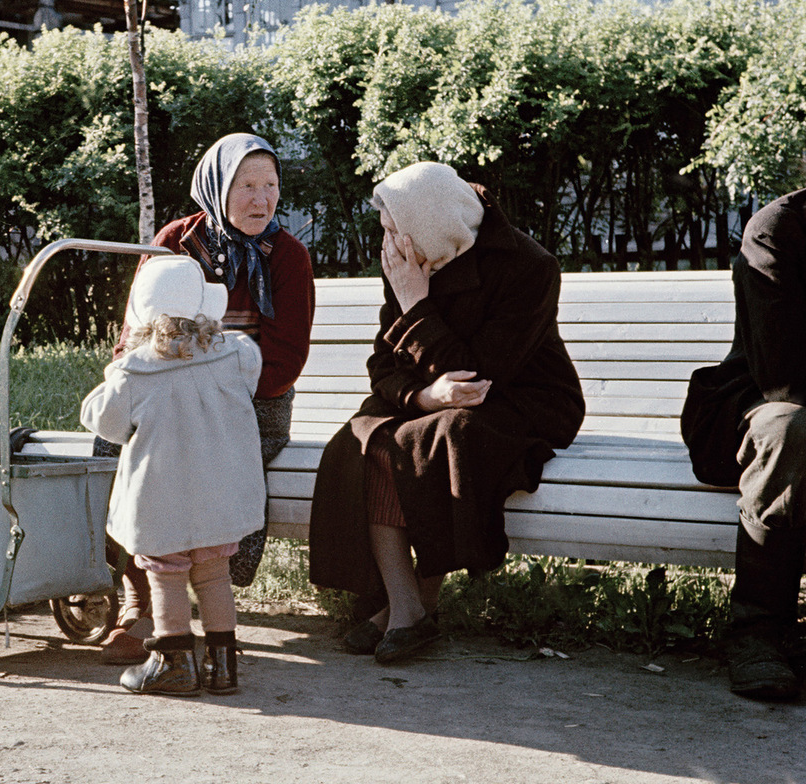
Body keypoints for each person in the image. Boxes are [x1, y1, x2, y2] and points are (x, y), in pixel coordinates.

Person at [308, 161, 585, 664]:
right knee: (363, 437)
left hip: (524, 398)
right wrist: (422, 397)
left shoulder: (530, 265)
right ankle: (405, 604)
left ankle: (410, 608)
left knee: (435, 438)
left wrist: (415, 305)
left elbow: (477, 377)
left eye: (395, 229)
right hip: (435, 395)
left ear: (430, 223)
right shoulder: (411, 257)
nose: (388, 242)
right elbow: (382, 364)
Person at [96, 132, 316, 664]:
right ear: (217, 186)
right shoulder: (175, 241)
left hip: (249, 402)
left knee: (207, 460)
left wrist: (211, 394)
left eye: (270, 185)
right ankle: (137, 599)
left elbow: (284, 360)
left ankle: (200, 599)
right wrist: (160, 387)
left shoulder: (288, 257)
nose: (261, 199)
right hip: (164, 393)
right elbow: (135, 333)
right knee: (117, 459)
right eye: (246, 185)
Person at [81, 255, 266, 695]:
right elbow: (252, 385)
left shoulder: (133, 372)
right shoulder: (237, 354)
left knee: (166, 574)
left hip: (161, 498)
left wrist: (112, 376)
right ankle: (223, 666)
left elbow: (106, 423)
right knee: (214, 573)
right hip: (219, 492)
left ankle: (175, 663)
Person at [681, 187, 806, 701]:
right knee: (790, 427)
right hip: (757, 401)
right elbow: (783, 375)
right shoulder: (777, 229)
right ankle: (757, 632)